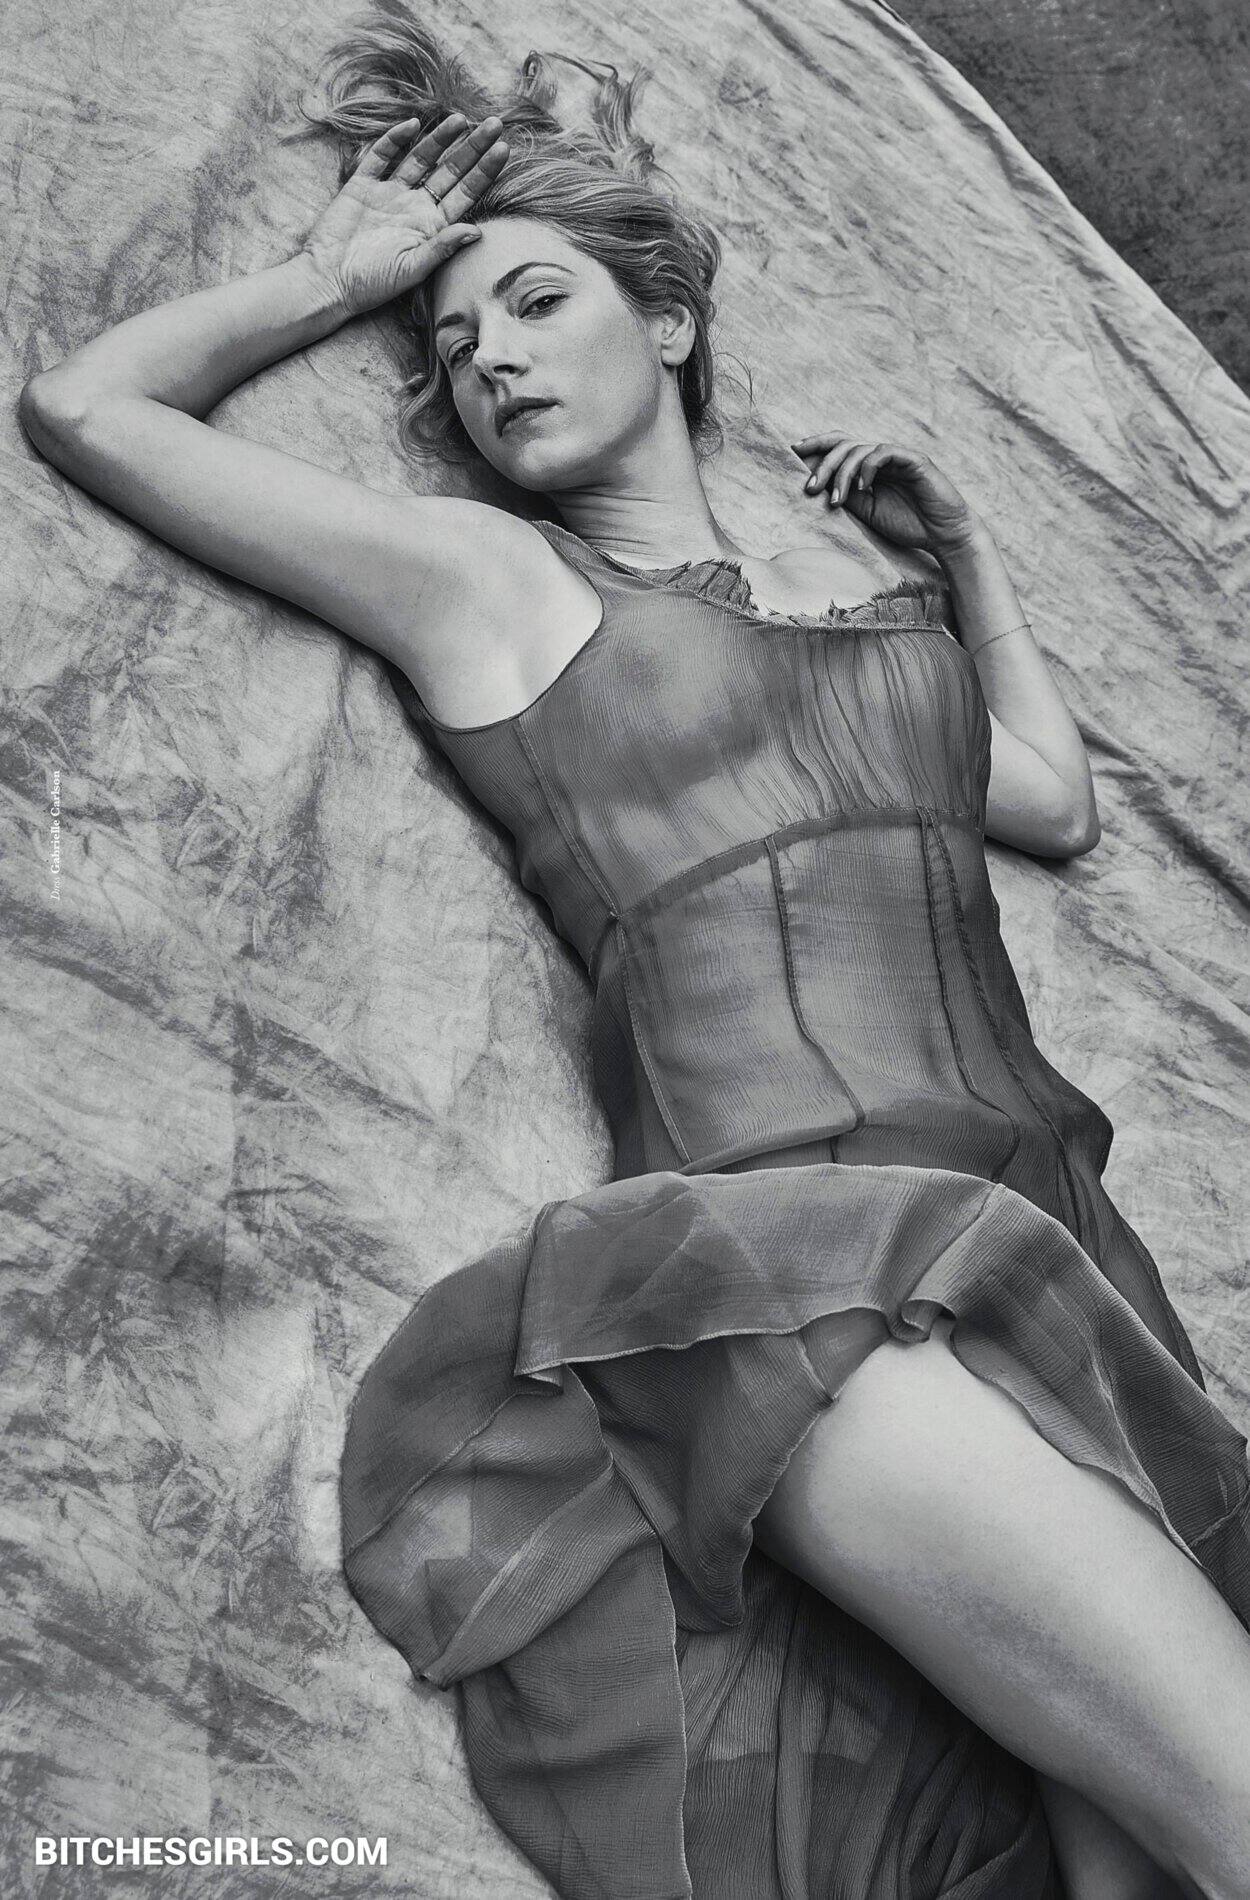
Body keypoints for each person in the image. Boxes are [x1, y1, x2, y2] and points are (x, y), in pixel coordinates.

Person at [18, 13, 1250, 1898]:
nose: (490, 359)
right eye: (454, 347)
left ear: (667, 322)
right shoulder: (497, 585)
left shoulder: (871, 619)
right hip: (796, 1282)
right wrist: (332, 277)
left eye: (533, 303)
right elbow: (92, 410)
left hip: (1061, 1262)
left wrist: (972, 562)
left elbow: (1050, 804)